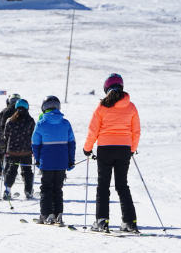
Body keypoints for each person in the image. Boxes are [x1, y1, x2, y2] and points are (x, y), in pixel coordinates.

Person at [83, 73, 141, 233]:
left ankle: (101, 221)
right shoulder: (131, 106)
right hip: (124, 149)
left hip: (105, 149)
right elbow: (136, 132)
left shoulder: (101, 106)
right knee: (122, 185)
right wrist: (131, 149)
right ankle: (130, 222)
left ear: (106, 88)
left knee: (103, 186)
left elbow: (92, 130)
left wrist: (87, 148)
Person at [32, 95, 76, 224]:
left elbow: (35, 144)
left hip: (47, 163)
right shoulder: (65, 123)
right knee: (58, 189)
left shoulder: (41, 124)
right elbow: (71, 144)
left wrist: (38, 159)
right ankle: (58, 214)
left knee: (46, 188)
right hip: (62, 162)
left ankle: (46, 214)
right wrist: (70, 160)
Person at [2, 99, 36, 200]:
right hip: (26, 151)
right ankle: (28, 191)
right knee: (27, 170)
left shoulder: (10, 120)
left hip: (13, 151)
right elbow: (33, 135)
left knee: (11, 170)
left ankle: (7, 191)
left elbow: (6, 135)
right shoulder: (30, 120)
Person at [0, 94, 21, 176]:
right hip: (19, 139)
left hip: (5, 137)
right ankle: (11, 171)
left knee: (2, 154)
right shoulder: (22, 112)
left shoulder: (4, 111)